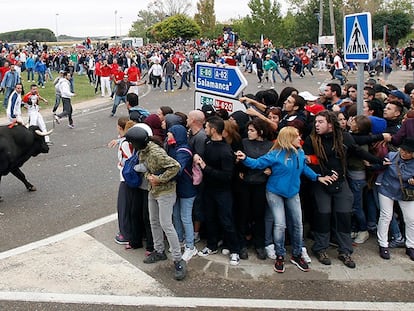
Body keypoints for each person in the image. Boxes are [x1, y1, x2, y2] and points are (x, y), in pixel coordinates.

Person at [236, 126, 336, 273]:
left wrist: (317, 177)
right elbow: (257, 163)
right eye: (297, 136)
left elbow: (303, 169)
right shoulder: (275, 154)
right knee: (280, 224)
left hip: (292, 193)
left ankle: (297, 254)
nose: (300, 139)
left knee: (298, 224)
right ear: (289, 139)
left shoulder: (299, 152)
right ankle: (280, 255)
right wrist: (245, 159)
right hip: (274, 192)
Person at [303, 110, 384, 269]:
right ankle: (321, 248)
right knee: (323, 215)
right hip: (321, 183)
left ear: (330, 125)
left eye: (320, 122)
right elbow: (306, 161)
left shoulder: (344, 137)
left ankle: (345, 251)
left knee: (344, 216)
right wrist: (323, 174)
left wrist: (379, 161)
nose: (316, 125)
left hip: (341, 182)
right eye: (316, 122)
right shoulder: (311, 140)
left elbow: (358, 151)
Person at [125, 126, 186, 281]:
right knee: (154, 222)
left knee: (166, 224)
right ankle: (159, 251)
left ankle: (179, 260)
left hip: (165, 192)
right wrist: (149, 175)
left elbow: (175, 166)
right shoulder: (142, 151)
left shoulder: (156, 152)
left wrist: (159, 179)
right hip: (153, 190)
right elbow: (146, 167)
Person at [194, 116, 241, 266]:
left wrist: (204, 167)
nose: (205, 129)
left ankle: (235, 250)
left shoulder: (226, 151)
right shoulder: (208, 143)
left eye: (207, 127)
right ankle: (212, 245)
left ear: (213, 130)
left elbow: (227, 176)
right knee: (210, 218)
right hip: (208, 189)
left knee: (226, 220)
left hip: (222, 192)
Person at [235, 118, 273, 260]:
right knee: (243, 214)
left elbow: (273, 162)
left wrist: (270, 170)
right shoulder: (244, 143)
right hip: (245, 182)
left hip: (261, 183)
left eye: (252, 130)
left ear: (260, 132)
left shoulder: (269, 146)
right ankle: (242, 244)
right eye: (248, 130)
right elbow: (238, 161)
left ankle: (259, 244)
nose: (249, 133)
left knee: (259, 215)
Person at [376, 138, 414, 261]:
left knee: (411, 219)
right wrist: (380, 163)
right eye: (403, 150)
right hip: (387, 188)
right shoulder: (392, 155)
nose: (404, 153)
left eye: (408, 152)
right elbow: (379, 166)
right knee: (386, 216)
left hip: (405, 192)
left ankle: (411, 246)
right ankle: (383, 244)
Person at [167, 125, 198, 262]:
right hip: (177, 188)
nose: (168, 136)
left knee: (185, 217)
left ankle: (190, 246)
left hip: (187, 189)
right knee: (176, 215)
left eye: (170, 133)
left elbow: (177, 169)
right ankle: (179, 239)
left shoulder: (183, 150)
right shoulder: (174, 148)